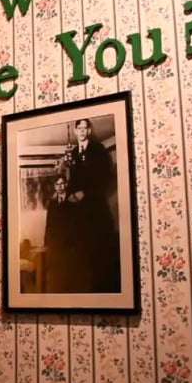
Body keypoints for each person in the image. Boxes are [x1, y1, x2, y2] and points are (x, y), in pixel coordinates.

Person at [66, 118, 121, 292]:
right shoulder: (73, 152)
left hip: (96, 210)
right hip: (80, 213)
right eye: (79, 128)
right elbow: (73, 180)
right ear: (75, 131)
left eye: (85, 128)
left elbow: (105, 178)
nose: (82, 131)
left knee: (100, 251)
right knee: (83, 253)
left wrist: (86, 193)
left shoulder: (98, 150)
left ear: (89, 131)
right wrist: (70, 195)